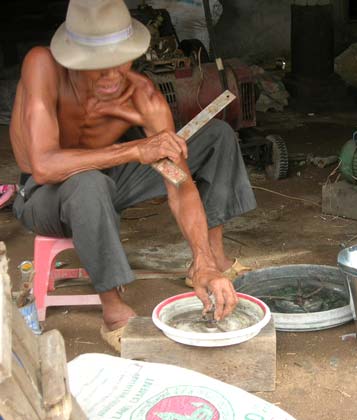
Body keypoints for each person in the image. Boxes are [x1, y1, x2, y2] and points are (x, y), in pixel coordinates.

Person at [9, 0, 256, 350]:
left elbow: (179, 183)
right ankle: (113, 310)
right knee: (88, 182)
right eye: (99, 66)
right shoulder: (43, 65)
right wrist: (136, 150)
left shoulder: (143, 96)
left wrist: (200, 258)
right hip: (43, 195)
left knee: (215, 136)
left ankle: (211, 261)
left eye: (120, 61)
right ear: (73, 58)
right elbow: (44, 166)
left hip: (109, 182)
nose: (112, 76)